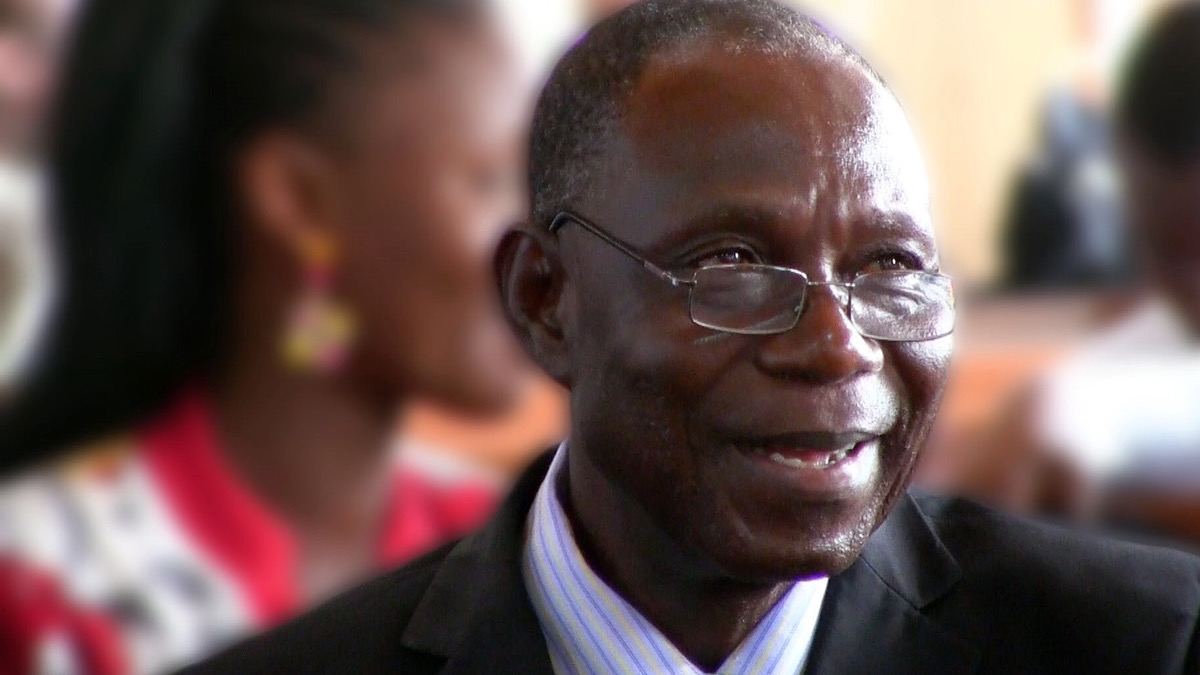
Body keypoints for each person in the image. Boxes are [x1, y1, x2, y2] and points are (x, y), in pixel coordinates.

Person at [186, 2, 1200, 673]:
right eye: (733, 267)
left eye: (891, 268)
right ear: (545, 299)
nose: (838, 346)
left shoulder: (1147, 645)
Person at [0, 0, 532, 672]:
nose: (542, 240)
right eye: (490, 183)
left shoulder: (514, 550)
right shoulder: (46, 593)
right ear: (301, 199)